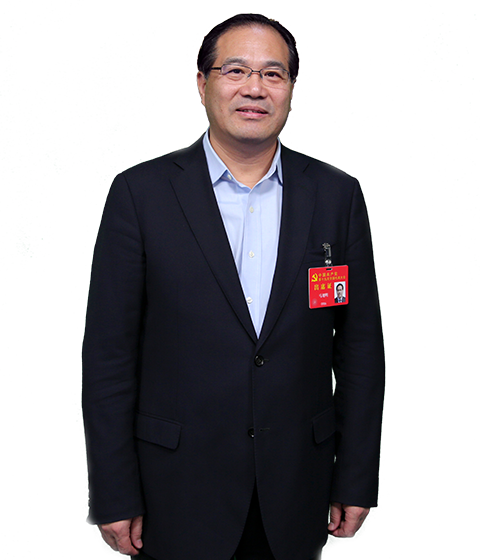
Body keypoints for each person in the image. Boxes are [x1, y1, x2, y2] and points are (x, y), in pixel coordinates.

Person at [82, 13, 385, 560]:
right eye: (236, 70)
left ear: (292, 89)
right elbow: (109, 356)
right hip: (174, 491)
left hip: (298, 488)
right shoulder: (140, 195)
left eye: (273, 74)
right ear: (202, 83)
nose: (254, 88)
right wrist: (113, 490)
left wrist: (356, 477)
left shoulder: (336, 197)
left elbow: (360, 349)